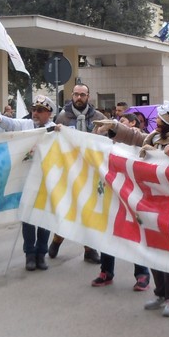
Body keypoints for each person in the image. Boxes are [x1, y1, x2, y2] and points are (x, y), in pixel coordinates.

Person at [95, 98, 169, 317]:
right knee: (154, 251)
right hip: (149, 204)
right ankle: (160, 293)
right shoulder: (153, 137)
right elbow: (134, 137)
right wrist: (115, 127)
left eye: (161, 119)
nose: (156, 122)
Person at [0, 94, 56, 271]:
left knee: (44, 219)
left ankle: (41, 254)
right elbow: (8, 123)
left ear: (49, 113)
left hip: (45, 181)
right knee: (28, 218)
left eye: (40, 110)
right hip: (25, 180)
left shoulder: (55, 130)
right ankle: (29, 255)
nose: (36, 113)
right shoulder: (25, 125)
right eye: (34, 109)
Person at [88, 112, 154, 292]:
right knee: (107, 233)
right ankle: (106, 271)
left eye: (121, 122)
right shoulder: (109, 141)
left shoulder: (143, 141)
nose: (116, 125)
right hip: (110, 193)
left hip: (132, 195)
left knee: (134, 233)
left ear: (132, 124)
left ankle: (142, 274)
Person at [50, 82, 105, 263]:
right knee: (68, 209)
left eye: (83, 94)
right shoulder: (62, 118)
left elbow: (107, 143)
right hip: (68, 171)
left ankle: (89, 249)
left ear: (88, 96)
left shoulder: (99, 117)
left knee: (88, 210)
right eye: (76, 94)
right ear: (71, 96)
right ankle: (57, 239)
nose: (79, 98)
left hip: (91, 172)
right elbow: (54, 143)